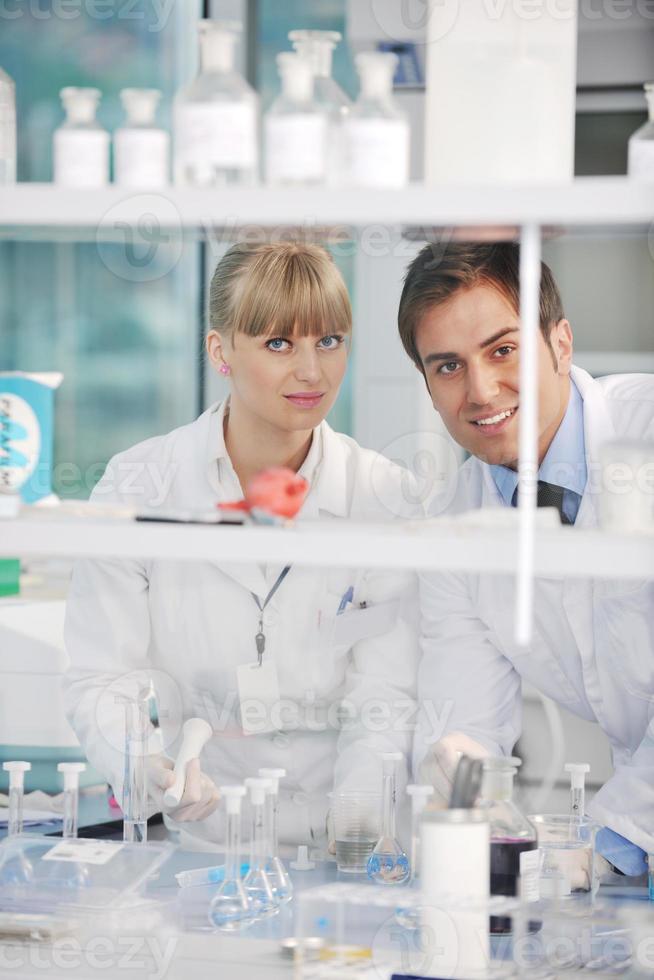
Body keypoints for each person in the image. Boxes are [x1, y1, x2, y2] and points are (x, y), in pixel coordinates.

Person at [64, 241, 419, 852]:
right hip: (203, 841)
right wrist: (141, 764)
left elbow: (385, 697)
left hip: (350, 843)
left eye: (330, 340)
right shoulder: (140, 483)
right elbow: (101, 674)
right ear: (219, 350)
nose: (312, 371)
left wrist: (358, 827)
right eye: (279, 343)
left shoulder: (384, 495)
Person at [398, 241, 653, 879]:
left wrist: (602, 847)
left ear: (561, 344)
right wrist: (459, 788)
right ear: (428, 387)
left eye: (503, 350)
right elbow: (466, 723)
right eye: (448, 366)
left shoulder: (644, 437)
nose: (481, 391)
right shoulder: (456, 526)